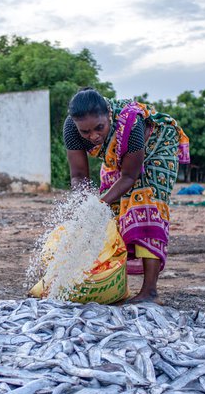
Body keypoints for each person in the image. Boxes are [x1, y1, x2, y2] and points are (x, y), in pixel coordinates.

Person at [64, 87, 189, 302]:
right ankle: (114, 286)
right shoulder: (72, 130)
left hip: (157, 147)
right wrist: (83, 202)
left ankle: (150, 291)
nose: (93, 136)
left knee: (144, 206)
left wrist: (98, 202)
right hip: (120, 157)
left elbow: (130, 176)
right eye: (86, 132)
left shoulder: (130, 122)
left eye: (99, 128)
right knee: (111, 214)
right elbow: (78, 176)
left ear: (108, 115)